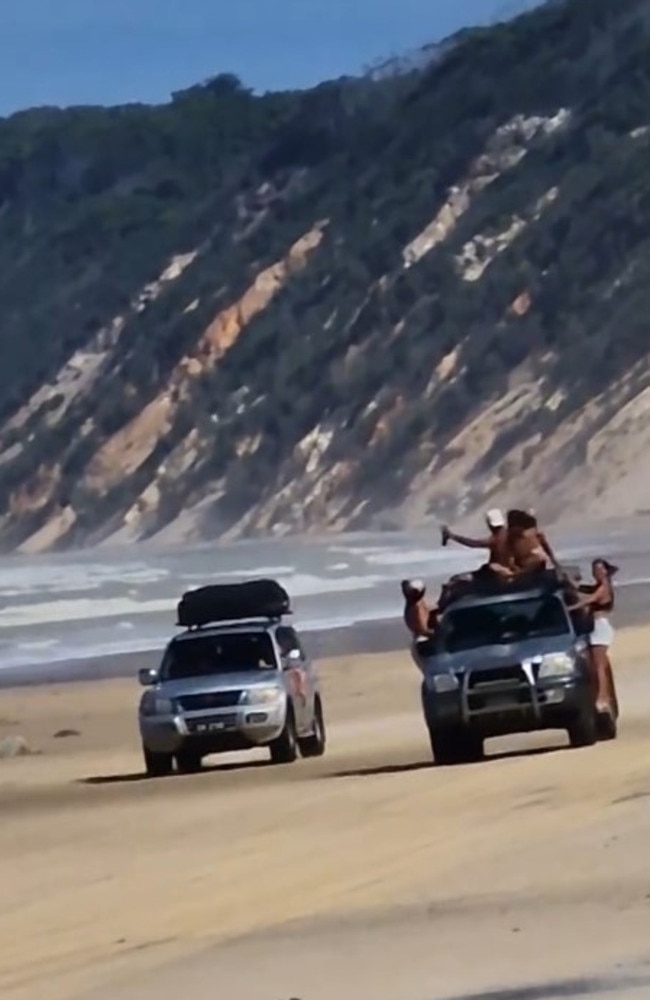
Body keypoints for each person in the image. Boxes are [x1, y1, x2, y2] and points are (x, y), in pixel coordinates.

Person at [569, 558, 618, 716]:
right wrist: (568, 580)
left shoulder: (604, 587)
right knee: (596, 664)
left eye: (598, 569)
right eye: (594, 569)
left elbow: (590, 599)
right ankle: (602, 696)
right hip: (596, 627)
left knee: (599, 665)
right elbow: (581, 589)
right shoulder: (598, 586)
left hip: (600, 627)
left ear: (605, 570)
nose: (596, 572)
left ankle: (602, 698)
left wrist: (569, 608)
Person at [441, 509, 513, 578]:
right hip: (507, 570)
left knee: (459, 579)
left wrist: (453, 536)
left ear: (490, 524)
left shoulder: (495, 539)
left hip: (498, 574)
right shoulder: (508, 534)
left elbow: (474, 543)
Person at [401, 579, 436, 674]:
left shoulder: (417, 603)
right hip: (422, 641)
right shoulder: (414, 607)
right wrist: (437, 634)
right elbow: (421, 629)